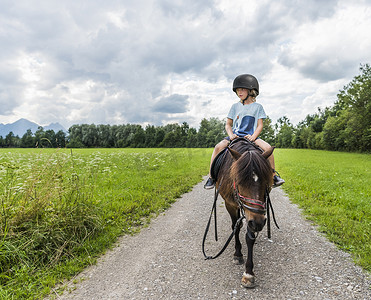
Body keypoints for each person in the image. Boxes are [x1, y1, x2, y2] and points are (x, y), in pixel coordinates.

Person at [204, 74, 285, 189]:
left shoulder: (258, 107)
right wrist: (231, 135)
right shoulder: (234, 107)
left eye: (242, 89)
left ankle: (273, 176)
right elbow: (228, 124)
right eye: (237, 90)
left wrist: (253, 137)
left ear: (251, 90)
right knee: (218, 147)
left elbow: (260, 125)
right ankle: (211, 177)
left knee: (268, 149)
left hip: (251, 136)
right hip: (235, 136)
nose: (239, 92)